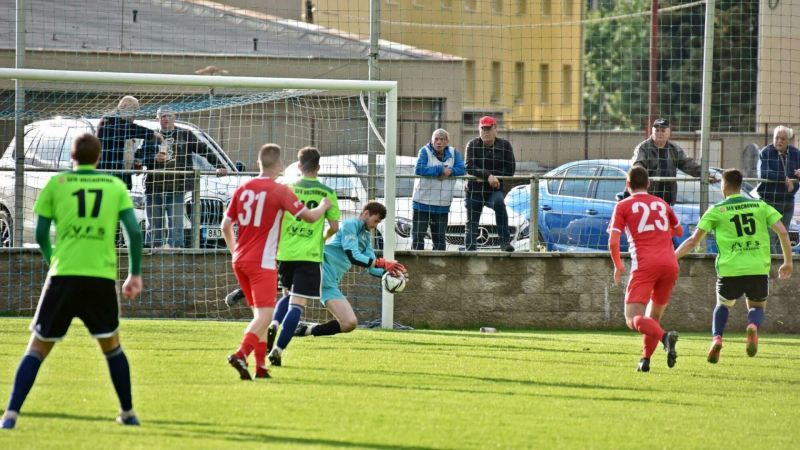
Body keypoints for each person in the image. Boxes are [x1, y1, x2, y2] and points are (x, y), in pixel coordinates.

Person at [1, 133, 144, 429]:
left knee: (37, 347)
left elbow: (41, 233)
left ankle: (11, 415)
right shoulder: (115, 186)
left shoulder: (57, 184)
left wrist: (52, 257)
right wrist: (134, 273)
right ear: (99, 158)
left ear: (72, 157)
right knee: (112, 347)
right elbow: (133, 230)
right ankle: (128, 413)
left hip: (63, 274)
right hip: (100, 278)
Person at [222, 143, 331, 380]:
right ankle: (241, 354)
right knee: (265, 316)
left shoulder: (243, 188)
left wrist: (234, 252)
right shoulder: (280, 190)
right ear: (280, 165)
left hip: (239, 259)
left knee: (260, 316)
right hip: (264, 262)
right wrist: (324, 205)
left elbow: (225, 226)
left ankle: (260, 367)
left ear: (259, 163)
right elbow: (311, 217)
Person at [675, 169, 793, 364]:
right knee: (756, 306)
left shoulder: (717, 210)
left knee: (723, 304)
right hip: (757, 268)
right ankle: (753, 327)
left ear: (724, 186)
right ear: (740, 185)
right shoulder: (760, 205)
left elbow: (693, 241)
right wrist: (787, 262)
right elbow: (782, 232)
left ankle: (717, 338)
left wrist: (673, 257)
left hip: (730, 270)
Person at [265, 147, 341, 367]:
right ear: (318, 167)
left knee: (286, 295)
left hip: (286, 253)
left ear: (298, 167)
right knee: (297, 304)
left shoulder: (286, 188)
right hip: (309, 255)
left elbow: (275, 218)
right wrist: (323, 237)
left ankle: (274, 323)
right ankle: (278, 350)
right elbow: (335, 227)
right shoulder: (327, 192)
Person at [293, 202, 406, 339]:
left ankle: (306, 330)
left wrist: (390, 274)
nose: (375, 225)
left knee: (349, 323)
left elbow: (371, 268)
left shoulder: (365, 238)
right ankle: (273, 327)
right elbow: (352, 255)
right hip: (318, 271)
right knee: (287, 299)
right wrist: (382, 263)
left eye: (378, 222)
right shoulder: (349, 225)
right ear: (366, 214)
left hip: (330, 284)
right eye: (375, 220)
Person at [608, 166, 681, 373]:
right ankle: (645, 360)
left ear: (627, 185)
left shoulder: (623, 206)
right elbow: (679, 230)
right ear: (648, 184)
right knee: (653, 317)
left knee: (632, 319)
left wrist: (618, 265)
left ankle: (665, 337)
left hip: (645, 265)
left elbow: (613, 241)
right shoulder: (661, 203)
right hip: (670, 264)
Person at [141, 107, 228, 249]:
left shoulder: (185, 134)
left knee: (176, 226)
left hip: (177, 186)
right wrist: (153, 159)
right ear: (157, 119)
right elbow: (140, 156)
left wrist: (218, 165)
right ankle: (153, 256)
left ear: (175, 116)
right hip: (153, 187)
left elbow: (204, 149)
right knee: (154, 226)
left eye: (169, 115)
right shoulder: (151, 136)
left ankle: (176, 256)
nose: (166, 118)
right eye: (162, 116)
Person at [464, 116, 515, 252]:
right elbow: (469, 166)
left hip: (494, 189)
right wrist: (489, 176)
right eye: (483, 129)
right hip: (474, 189)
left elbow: (510, 169)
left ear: (495, 129)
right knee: (472, 219)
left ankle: (505, 242)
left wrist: (493, 178)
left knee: (500, 205)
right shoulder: (472, 144)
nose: (485, 132)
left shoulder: (505, 145)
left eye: (488, 128)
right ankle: (470, 247)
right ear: (479, 130)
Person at [412, 128, 465, 250]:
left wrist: (450, 171)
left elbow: (462, 169)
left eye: (442, 139)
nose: (439, 142)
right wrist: (440, 170)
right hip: (422, 202)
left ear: (447, 141)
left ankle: (438, 266)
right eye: (436, 139)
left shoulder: (454, 153)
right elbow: (419, 169)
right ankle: (417, 264)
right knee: (418, 237)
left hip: (442, 203)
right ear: (431, 140)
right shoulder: (424, 151)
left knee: (440, 240)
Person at [631, 118, 704, 206]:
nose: (659, 133)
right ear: (652, 131)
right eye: (657, 130)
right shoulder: (643, 148)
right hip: (647, 201)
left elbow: (687, 163)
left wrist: (704, 173)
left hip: (668, 200)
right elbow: (637, 168)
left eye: (663, 130)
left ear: (669, 132)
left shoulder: (674, 149)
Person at [96, 95, 162, 189]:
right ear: (123, 107)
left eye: (137, 110)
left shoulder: (127, 128)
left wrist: (134, 165)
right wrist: (152, 133)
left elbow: (125, 151)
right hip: (106, 177)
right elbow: (127, 129)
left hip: (121, 179)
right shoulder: (109, 120)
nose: (136, 114)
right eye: (134, 109)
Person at [756, 125, 800, 254]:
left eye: (783, 139)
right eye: (777, 138)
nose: (779, 141)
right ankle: (772, 268)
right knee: (769, 236)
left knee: (783, 235)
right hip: (769, 200)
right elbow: (764, 173)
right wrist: (785, 179)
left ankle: (783, 265)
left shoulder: (796, 153)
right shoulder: (766, 152)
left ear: (789, 140)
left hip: (787, 201)